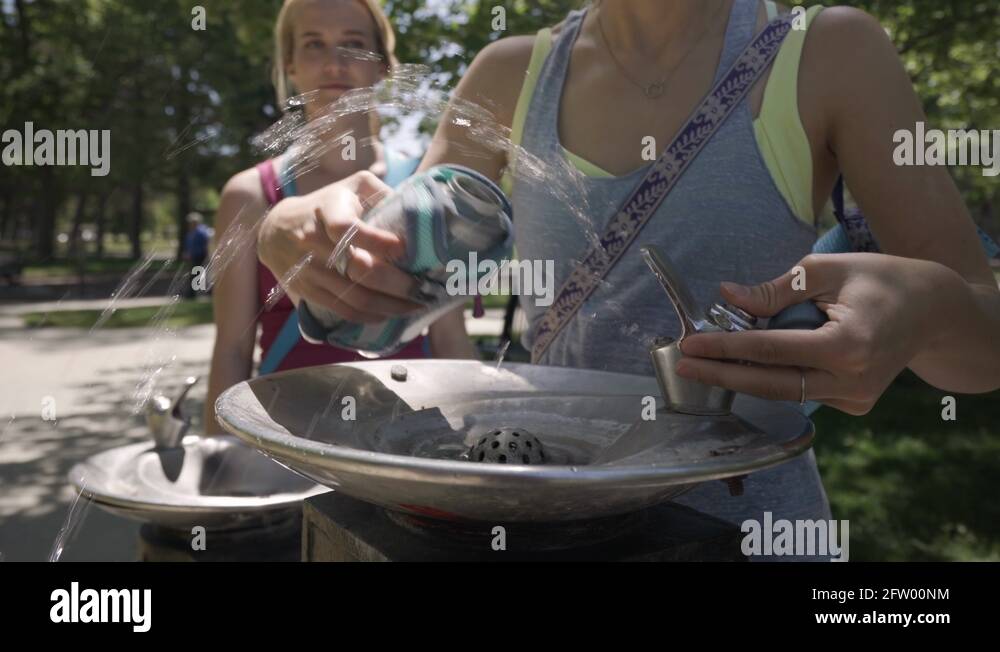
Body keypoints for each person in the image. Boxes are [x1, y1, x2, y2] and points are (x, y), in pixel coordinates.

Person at [256, 0, 1000, 558]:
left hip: (749, 529)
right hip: (539, 523)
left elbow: (982, 338)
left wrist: (927, 311)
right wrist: (302, 243)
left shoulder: (831, 53)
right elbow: (395, 282)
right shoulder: (511, 72)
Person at [203, 0, 471, 436]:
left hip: (414, 443)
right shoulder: (249, 196)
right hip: (290, 446)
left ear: (383, 66)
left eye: (354, 44)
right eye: (314, 44)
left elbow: (448, 340)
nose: (335, 62)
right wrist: (219, 471)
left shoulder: (425, 187)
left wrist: (478, 443)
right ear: (290, 64)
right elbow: (232, 351)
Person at [181, 212, 210, 299]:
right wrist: (187, 253)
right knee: (195, 273)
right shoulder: (192, 232)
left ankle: (195, 293)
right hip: (193, 256)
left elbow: (205, 245)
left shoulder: (201, 232)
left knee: (197, 273)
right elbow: (189, 244)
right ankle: (196, 293)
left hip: (200, 255)